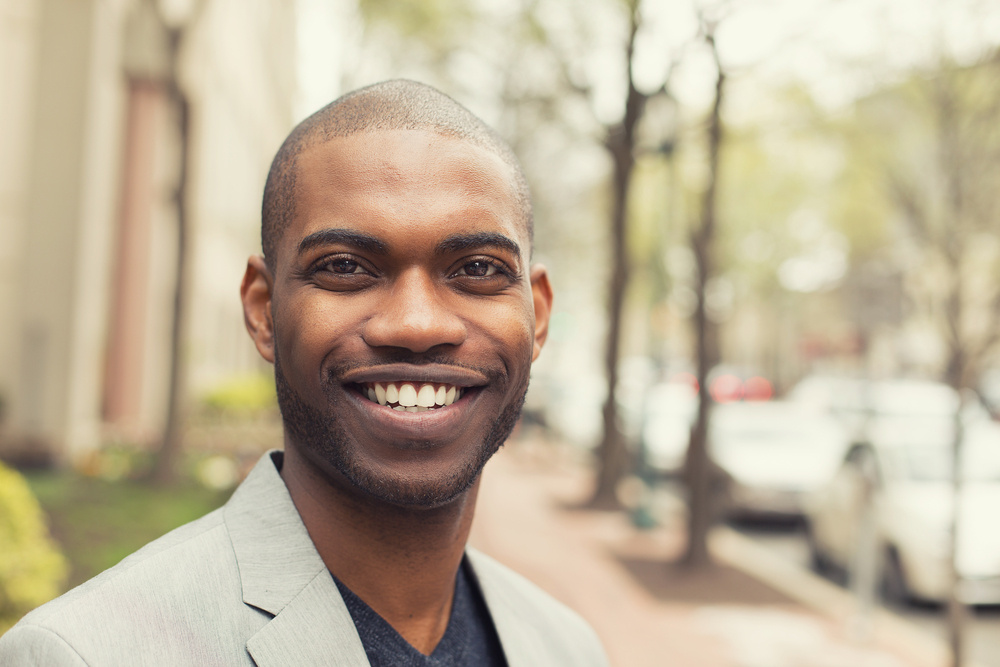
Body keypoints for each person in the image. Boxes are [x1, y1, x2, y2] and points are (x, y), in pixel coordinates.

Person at [0, 80, 610, 666]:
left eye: (477, 269)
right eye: (346, 266)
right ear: (263, 310)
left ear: (539, 316)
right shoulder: (86, 653)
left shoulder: (567, 647)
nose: (418, 324)